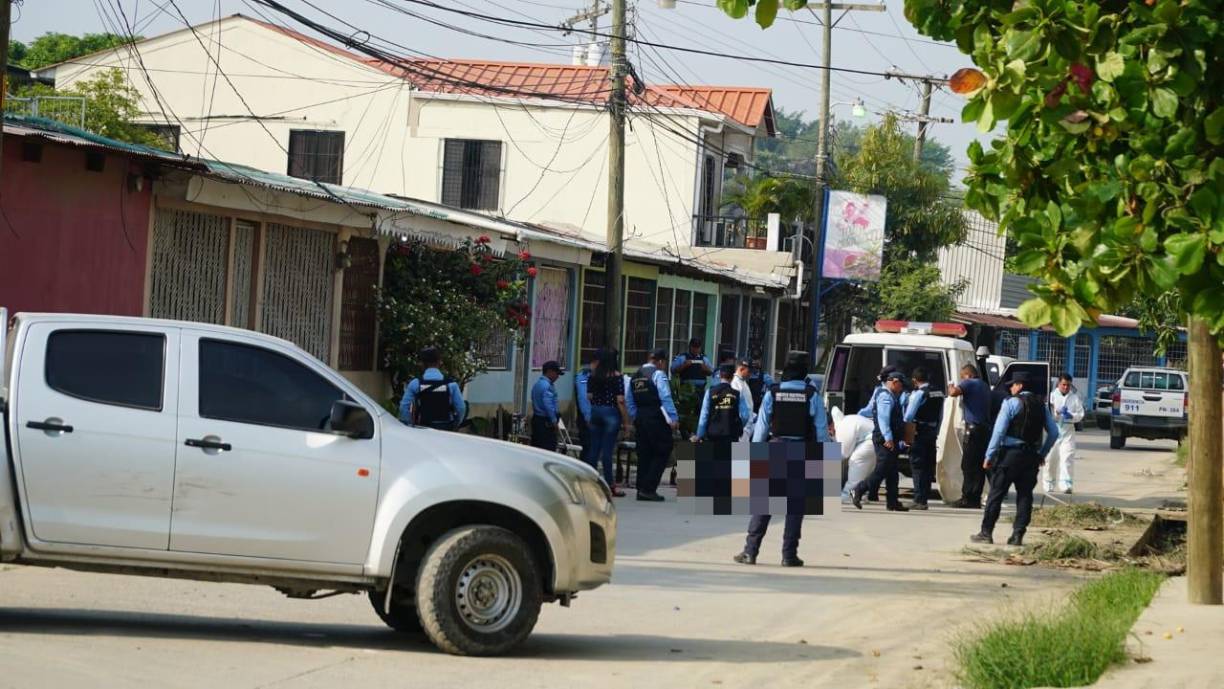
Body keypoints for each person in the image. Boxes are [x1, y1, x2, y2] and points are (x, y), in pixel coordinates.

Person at [733, 351, 829, 567]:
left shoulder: (772, 392)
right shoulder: (811, 394)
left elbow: (762, 427)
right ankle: (789, 555)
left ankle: (750, 552)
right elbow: (821, 431)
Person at [971, 371, 1060, 546]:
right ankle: (1017, 535)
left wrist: (989, 455)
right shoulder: (1041, 406)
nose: (1011, 388)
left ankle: (986, 532)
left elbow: (998, 432)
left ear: (1019, 386)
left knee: (996, 494)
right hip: (1031, 457)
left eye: (1012, 385)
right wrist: (1041, 454)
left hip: (1010, 456)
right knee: (1025, 496)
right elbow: (1054, 432)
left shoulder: (1011, 403)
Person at [851, 370, 910, 512]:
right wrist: (888, 438)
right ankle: (859, 489)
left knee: (892, 471)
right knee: (882, 469)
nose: (901, 389)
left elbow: (868, 411)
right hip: (885, 439)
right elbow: (884, 419)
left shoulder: (888, 394)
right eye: (900, 386)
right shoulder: (885, 396)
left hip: (890, 438)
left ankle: (892, 502)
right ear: (894, 382)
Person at [626, 348, 679, 502]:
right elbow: (665, 397)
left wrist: (636, 416)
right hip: (656, 417)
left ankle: (641, 488)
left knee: (644, 453)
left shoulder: (635, 377)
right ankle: (649, 489)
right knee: (663, 450)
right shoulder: (658, 375)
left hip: (641, 418)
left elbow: (630, 401)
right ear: (661, 361)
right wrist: (673, 418)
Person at [948, 364, 991, 509]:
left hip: (973, 430)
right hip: (984, 430)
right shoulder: (984, 385)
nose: (962, 380)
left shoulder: (969, 383)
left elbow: (953, 393)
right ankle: (975, 498)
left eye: (962, 377)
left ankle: (967, 498)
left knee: (967, 465)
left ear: (968, 375)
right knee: (979, 466)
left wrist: (951, 386)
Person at [587, 349, 629, 496]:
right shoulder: (617, 377)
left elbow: (589, 396)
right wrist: (626, 422)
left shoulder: (593, 376)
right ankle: (610, 484)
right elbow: (620, 400)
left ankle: (590, 483)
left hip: (596, 411)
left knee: (594, 449)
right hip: (611, 412)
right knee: (607, 450)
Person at [399, 347, 465, 431]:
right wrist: (456, 424)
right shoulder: (451, 385)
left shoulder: (415, 384)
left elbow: (404, 408)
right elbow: (461, 408)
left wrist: (410, 425)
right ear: (439, 362)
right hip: (446, 429)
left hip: (423, 428)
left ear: (422, 363)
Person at [903, 367, 938, 510]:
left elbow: (909, 416)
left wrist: (905, 433)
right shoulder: (938, 392)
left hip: (920, 432)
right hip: (932, 432)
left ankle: (919, 500)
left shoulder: (919, 394)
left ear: (914, 380)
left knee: (917, 466)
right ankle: (924, 498)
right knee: (928, 467)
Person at [1045, 373, 1085, 494]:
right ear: (1058, 384)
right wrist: (1056, 413)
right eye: (1063, 385)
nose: (1066, 387)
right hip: (1053, 431)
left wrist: (1071, 415)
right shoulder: (1051, 397)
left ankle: (1066, 485)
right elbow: (1047, 412)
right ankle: (1049, 484)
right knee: (1051, 459)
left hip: (1068, 431)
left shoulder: (1074, 398)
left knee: (1067, 458)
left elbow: (1080, 414)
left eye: (1068, 385)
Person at [695, 364, 751, 442]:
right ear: (732, 377)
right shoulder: (737, 393)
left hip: (713, 433)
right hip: (731, 433)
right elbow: (745, 415)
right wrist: (738, 427)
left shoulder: (710, 392)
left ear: (720, 376)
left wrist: (699, 434)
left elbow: (704, 415)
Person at [530, 361, 565, 451]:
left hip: (537, 420)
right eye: (556, 373)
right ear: (549, 371)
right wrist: (554, 421)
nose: (558, 377)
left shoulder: (537, 384)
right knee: (548, 450)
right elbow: (548, 405)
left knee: (537, 449)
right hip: (546, 423)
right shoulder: (547, 386)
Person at [574, 352, 599, 465]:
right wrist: (588, 417)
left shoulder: (595, 376)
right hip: (586, 419)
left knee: (593, 449)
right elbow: (583, 398)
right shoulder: (583, 376)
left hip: (594, 418)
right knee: (588, 448)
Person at [732, 360, 756, 440]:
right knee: (740, 452)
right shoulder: (735, 383)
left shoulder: (743, 382)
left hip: (747, 426)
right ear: (741, 369)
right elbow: (736, 407)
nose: (750, 374)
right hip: (741, 427)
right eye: (749, 371)